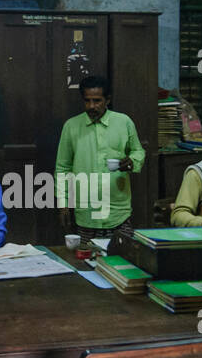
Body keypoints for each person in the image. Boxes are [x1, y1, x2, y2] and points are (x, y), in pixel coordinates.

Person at [55, 76, 146, 240]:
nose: (91, 106)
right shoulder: (71, 126)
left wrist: (132, 162)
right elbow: (63, 168)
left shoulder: (123, 122)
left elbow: (138, 151)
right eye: (87, 101)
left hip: (118, 212)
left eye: (97, 101)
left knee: (121, 261)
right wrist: (63, 204)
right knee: (85, 261)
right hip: (86, 213)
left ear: (108, 100)